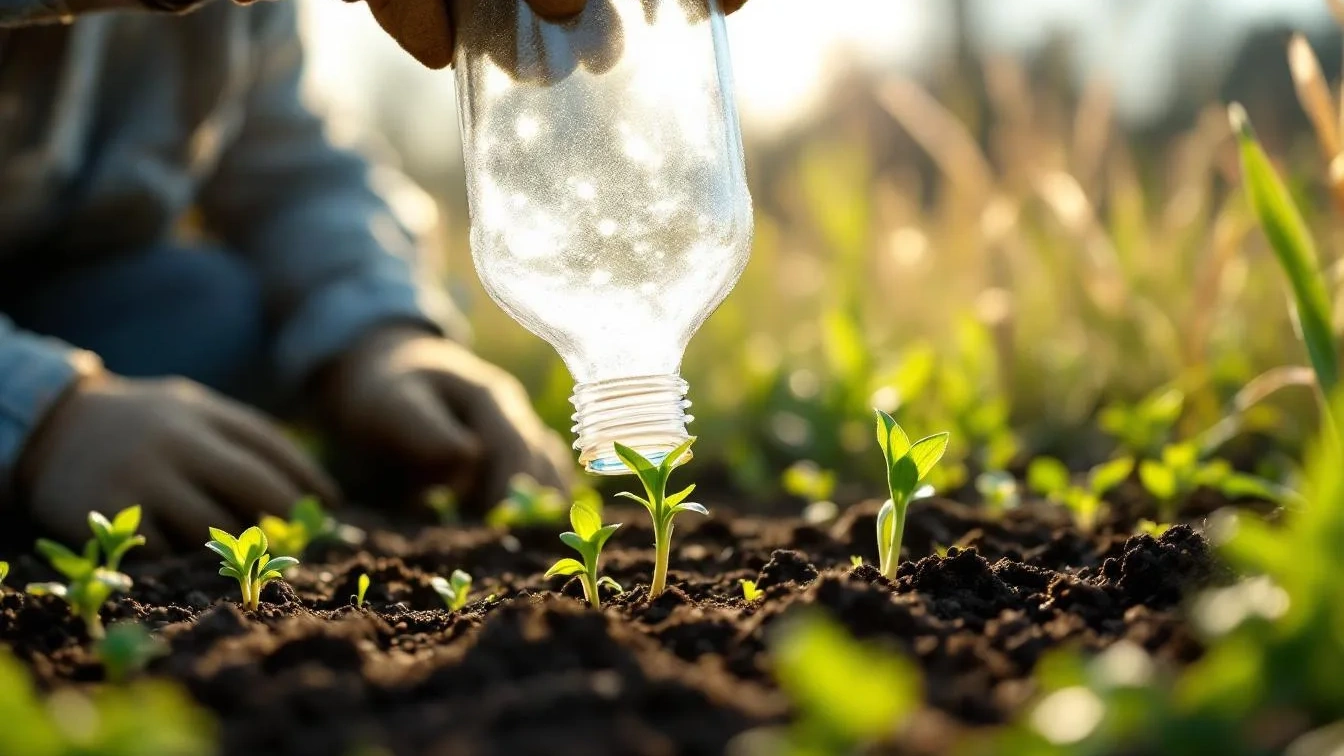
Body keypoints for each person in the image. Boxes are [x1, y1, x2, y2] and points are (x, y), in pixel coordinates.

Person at [0, 0, 746, 553]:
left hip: (76, 298)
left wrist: (376, 339)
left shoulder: (231, 19)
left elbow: (289, 166)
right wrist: (38, 414)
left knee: (213, 312)